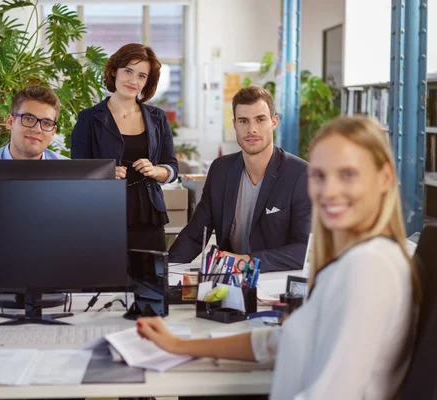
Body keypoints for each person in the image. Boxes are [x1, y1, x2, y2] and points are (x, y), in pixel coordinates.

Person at [137, 115, 419, 399]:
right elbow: (280, 342)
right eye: (320, 175)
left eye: (348, 174)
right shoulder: (354, 258)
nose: (329, 191)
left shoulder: (368, 268)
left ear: (384, 178)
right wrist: (179, 345)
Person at [169, 86, 311, 272]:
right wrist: (164, 272)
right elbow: (195, 235)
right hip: (228, 282)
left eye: (260, 120)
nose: (251, 129)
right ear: (235, 124)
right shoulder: (221, 170)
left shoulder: (300, 174)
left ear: (274, 122)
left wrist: (245, 261)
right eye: (244, 121)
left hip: (276, 282)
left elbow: (305, 249)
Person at [71, 43, 178, 252]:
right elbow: (77, 171)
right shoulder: (89, 118)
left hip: (149, 214)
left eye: (142, 76)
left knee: (150, 281)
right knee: (105, 281)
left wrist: (156, 171)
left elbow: (172, 167)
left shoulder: (158, 118)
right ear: (114, 71)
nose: (133, 81)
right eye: (128, 71)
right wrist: (104, 173)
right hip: (103, 215)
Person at [0, 85, 67, 160]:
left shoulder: (70, 174)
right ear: (10, 122)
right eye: (29, 119)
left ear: (53, 132)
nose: (37, 129)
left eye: (46, 123)